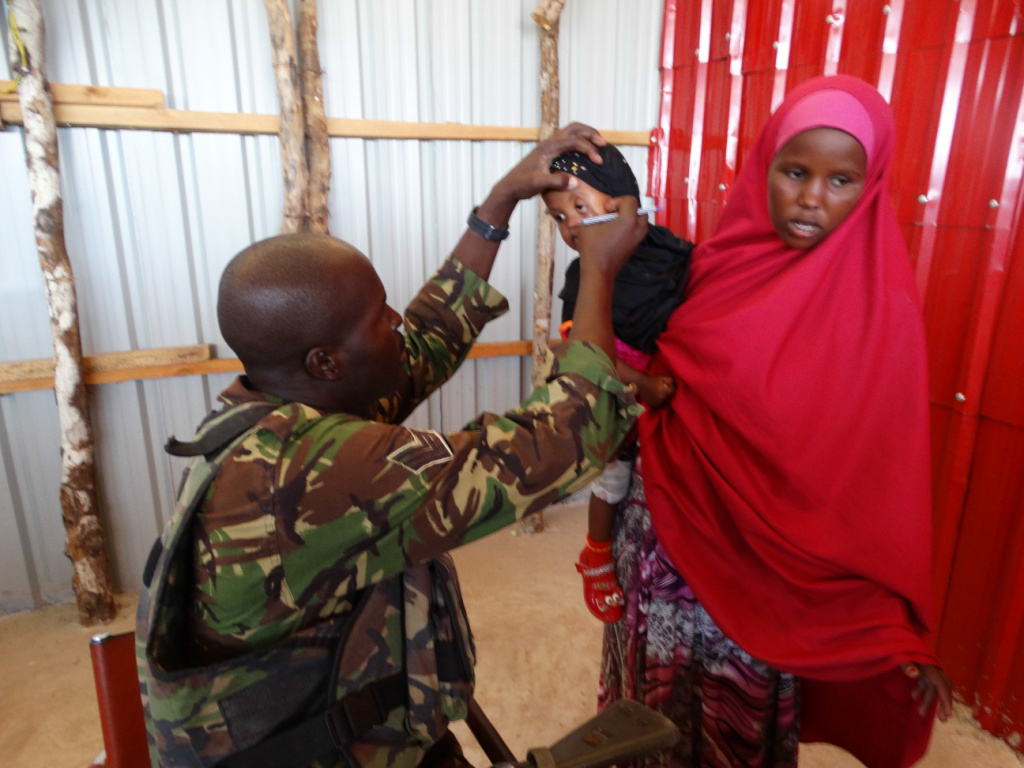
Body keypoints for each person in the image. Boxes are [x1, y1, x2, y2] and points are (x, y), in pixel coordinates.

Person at [136, 123, 652, 768]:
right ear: (326, 361)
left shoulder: (280, 410)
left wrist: (500, 204)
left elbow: (430, 336)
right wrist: (596, 269)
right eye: (380, 316)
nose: (398, 323)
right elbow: (566, 436)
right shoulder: (312, 477)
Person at [598, 76, 954, 768]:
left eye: (840, 180)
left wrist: (896, 634)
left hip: (768, 585)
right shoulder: (708, 268)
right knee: (648, 721)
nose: (812, 197)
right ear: (765, 167)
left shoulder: (882, 314)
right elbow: (647, 390)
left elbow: (878, 488)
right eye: (795, 172)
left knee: (734, 729)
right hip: (667, 546)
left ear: (870, 185)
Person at [541, 143, 691, 623]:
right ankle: (596, 554)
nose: (571, 226)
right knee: (614, 474)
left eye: (580, 207)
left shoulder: (668, 255)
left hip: (666, 404)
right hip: (611, 396)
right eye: (559, 217)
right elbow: (571, 350)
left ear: (624, 199)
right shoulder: (581, 271)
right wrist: (641, 385)